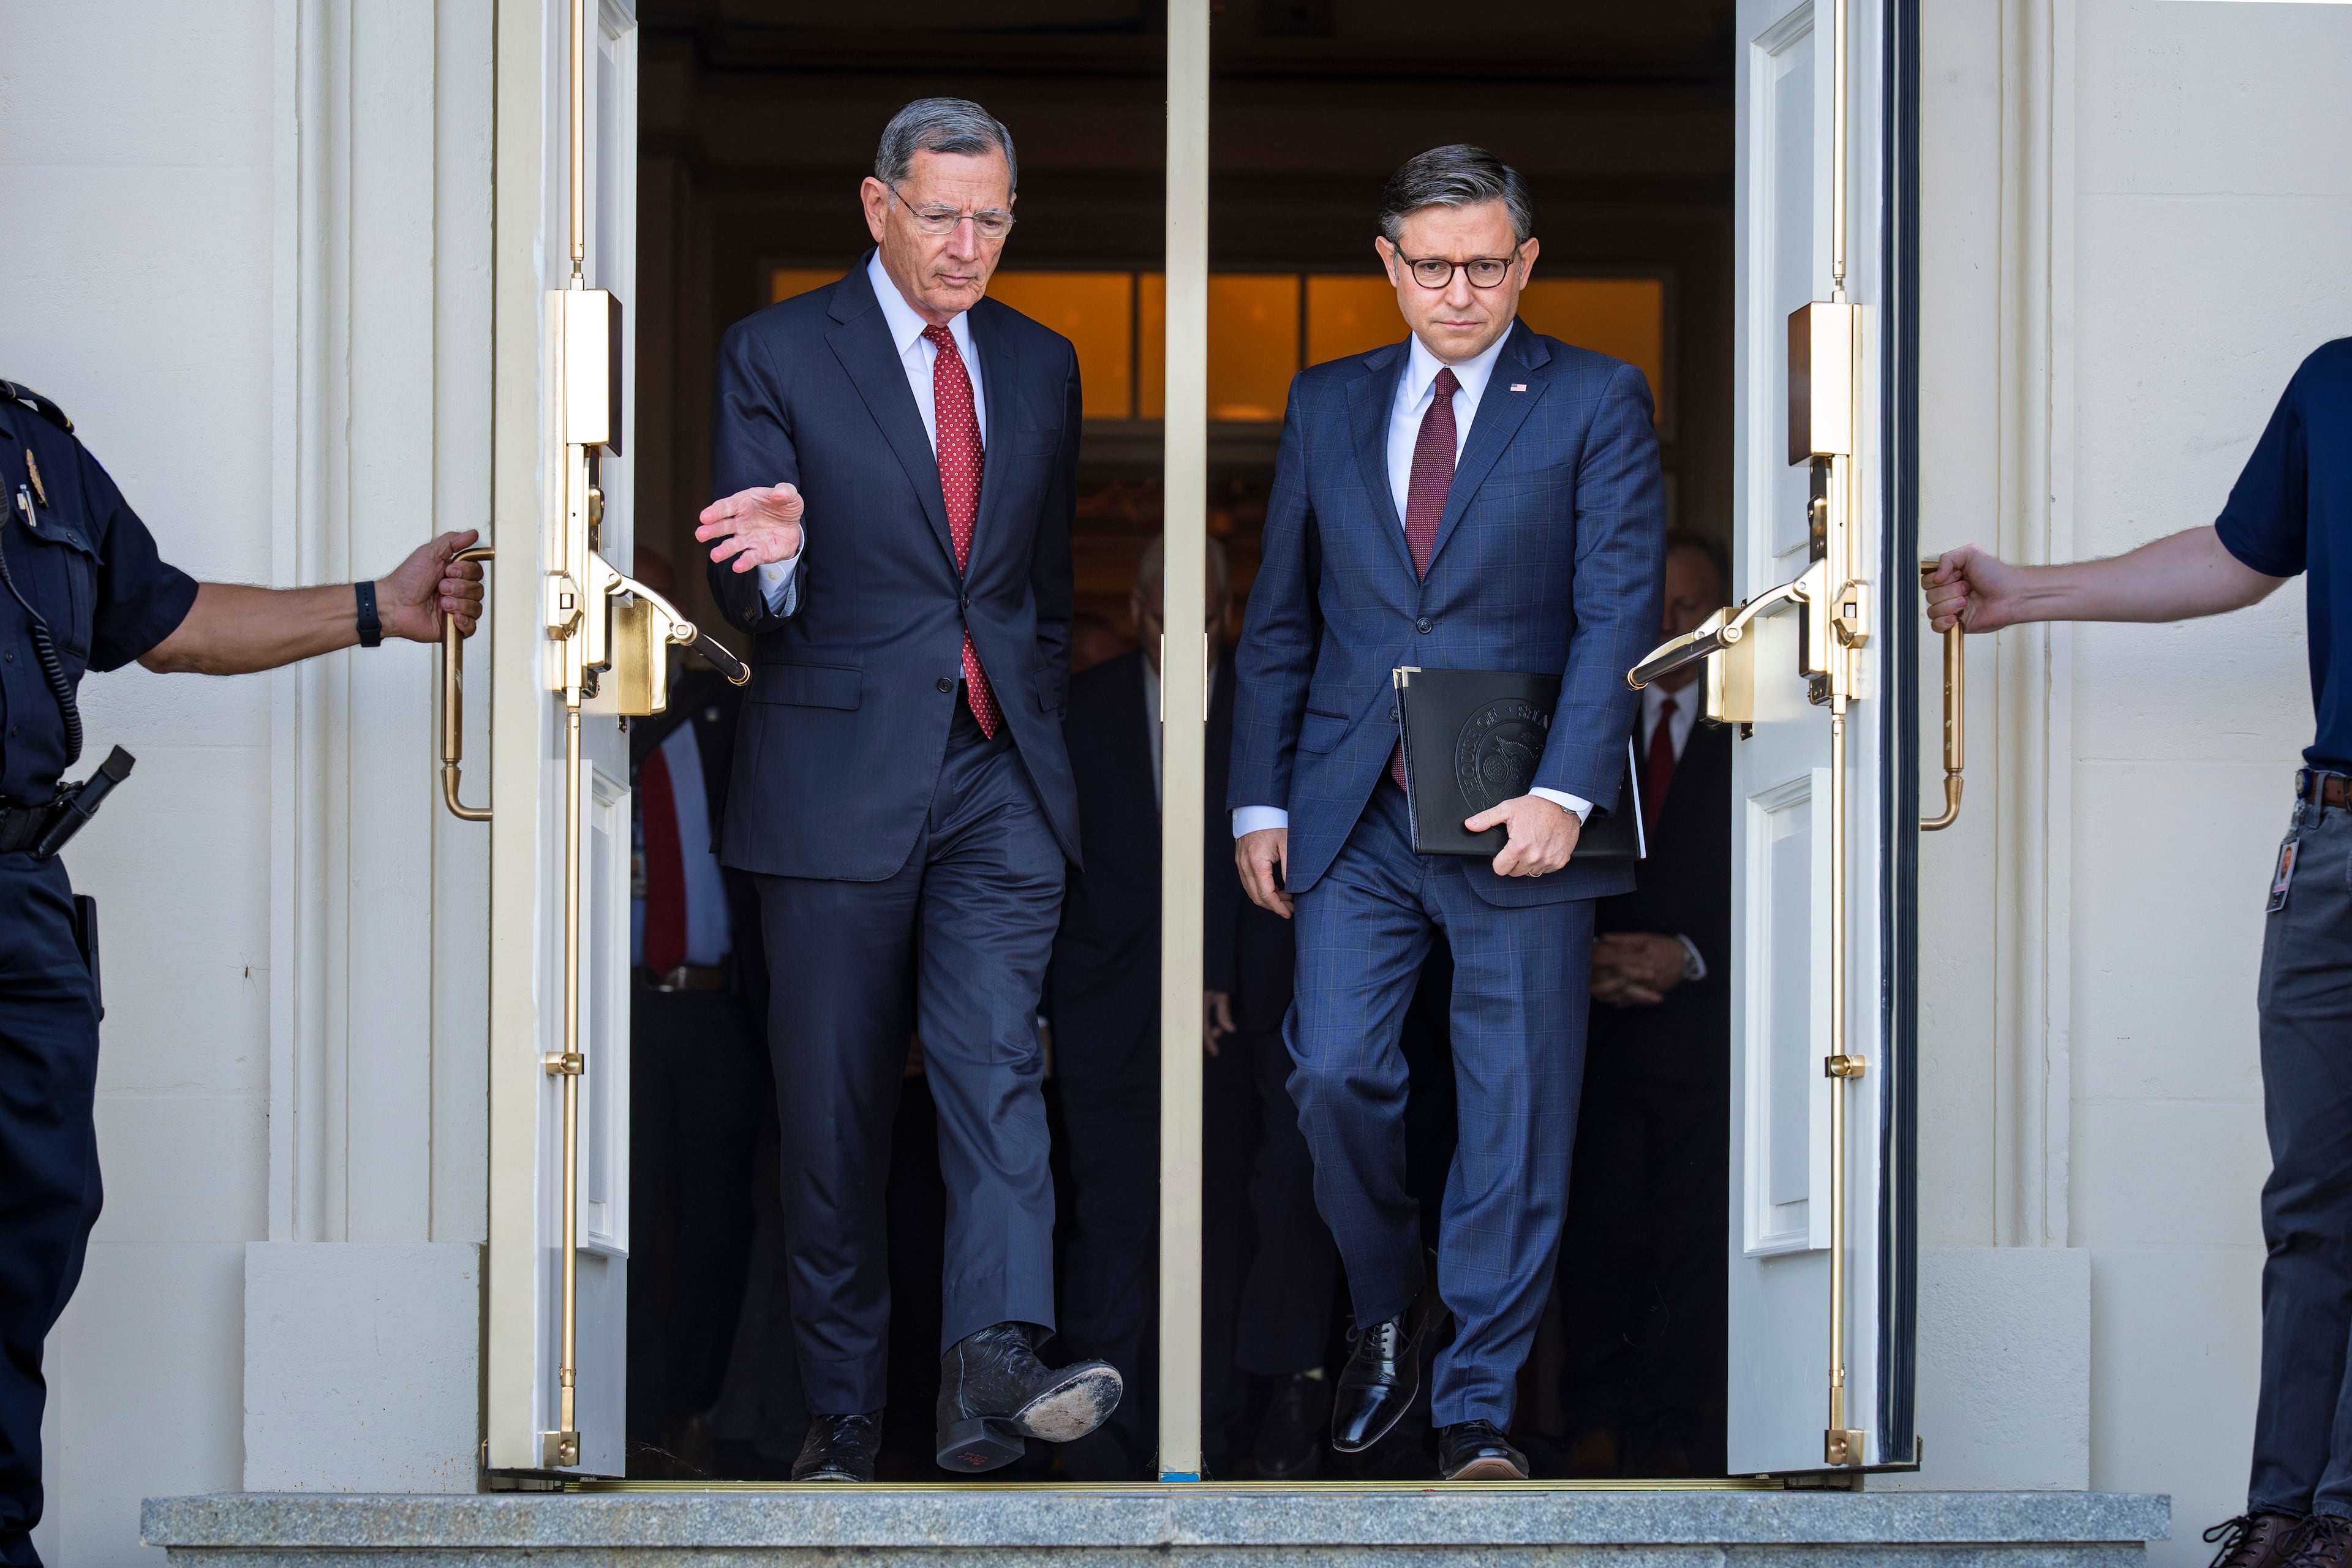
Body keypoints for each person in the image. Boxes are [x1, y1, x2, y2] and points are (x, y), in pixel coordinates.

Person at [693, 98, 1118, 1483]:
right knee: (835, 1109)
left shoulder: (1043, 363)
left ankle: (992, 1365)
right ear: (876, 206)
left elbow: (1039, 588)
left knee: (997, 1071)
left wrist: (1030, 706)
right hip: (830, 773)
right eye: (941, 213)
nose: (968, 243)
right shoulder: (775, 349)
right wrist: (772, 560)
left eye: (993, 217)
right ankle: (844, 1407)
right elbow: (746, 575)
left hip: (998, 767)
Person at [1229, 145, 1665, 1482]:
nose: (1460, 289)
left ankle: (1476, 1402)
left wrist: (1571, 785)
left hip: (1522, 799)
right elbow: (1283, 614)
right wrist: (1260, 793)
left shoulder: (1595, 395)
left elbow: (1617, 608)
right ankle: (1386, 1302)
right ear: (1389, 263)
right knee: (1334, 1071)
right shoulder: (1326, 400)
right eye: (1433, 264)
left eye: (1486, 263)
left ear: (1527, 263)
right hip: (1353, 799)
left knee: (1515, 1109)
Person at [0, 381, 481, 1568]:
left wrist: (379, 607)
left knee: (23, 1242)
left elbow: (166, 622)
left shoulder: (36, 452)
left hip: (17, 901)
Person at [1924, 337, 2352, 1568]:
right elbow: (2235, 556)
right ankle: (2284, 1514)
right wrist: (2027, 591)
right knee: (2314, 1196)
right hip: (2333, 834)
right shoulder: (2334, 381)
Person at [1046, 535, 1329, 1479]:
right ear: (1134, 610)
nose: (1185, 633)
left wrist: (1213, 967)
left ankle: (1203, 1433)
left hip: (1231, 1012)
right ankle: (1097, 1437)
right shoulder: (1078, 709)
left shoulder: (1268, 703)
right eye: (1166, 612)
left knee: (1219, 1221)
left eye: (1204, 614)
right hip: (1102, 1007)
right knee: (1109, 1214)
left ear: (1230, 615)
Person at [1558, 532, 1732, 1477]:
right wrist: (1573, 959)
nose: (1666, 628)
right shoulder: (1583, 724)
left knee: (1690, 1241)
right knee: (1596, 1233)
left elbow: (1791, 883)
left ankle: (1670, 1434)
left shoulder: (1759, 725)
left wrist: (1691, 958)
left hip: (1708, 1041)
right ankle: (1591, 1421)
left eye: (1687, 609)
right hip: (1593, 1035)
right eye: (1652, 609)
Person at [622, 548, 769, 1477]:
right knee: (628, 1223)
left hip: (719, 1010)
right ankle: (630, 1419)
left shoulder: (726, 718)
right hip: (620, 1014)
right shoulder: (581, 724)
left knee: (720, 1223)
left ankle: (693, 1410)